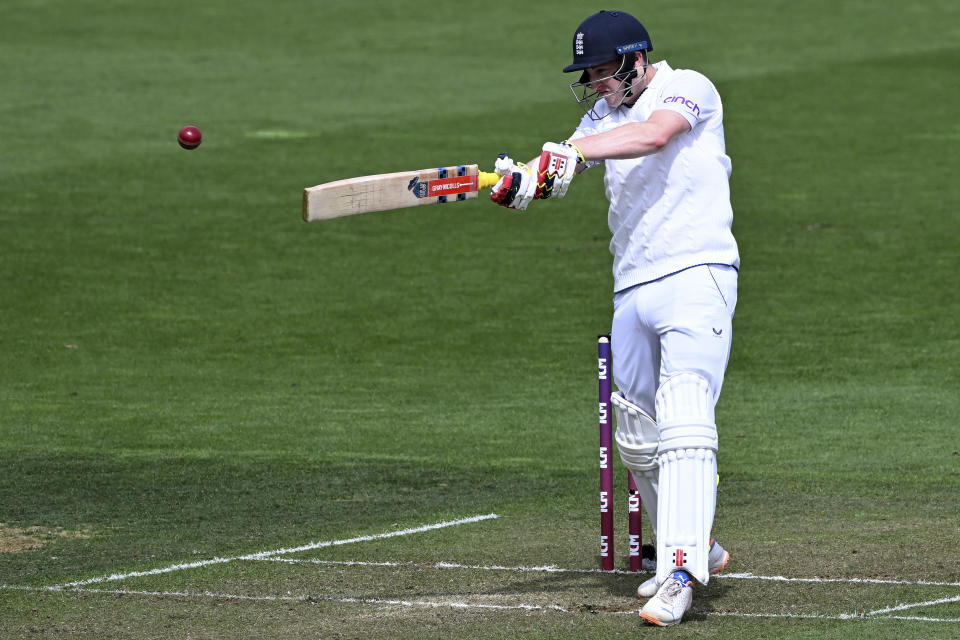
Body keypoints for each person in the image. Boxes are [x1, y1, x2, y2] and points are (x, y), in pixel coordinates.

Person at [490, 9, 739, 626]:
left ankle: (680, 573)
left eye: (603, 71)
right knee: (635, 432)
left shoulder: (688, 86)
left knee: (684, 416)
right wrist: (523, 180)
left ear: (635, 59)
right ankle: (701, 542)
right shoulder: (600, 116)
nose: (596, 83)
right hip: (632, 283)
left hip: (696, 274)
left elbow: (654, 135)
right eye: (589, 74)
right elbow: (568, 167)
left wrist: (569, 151)